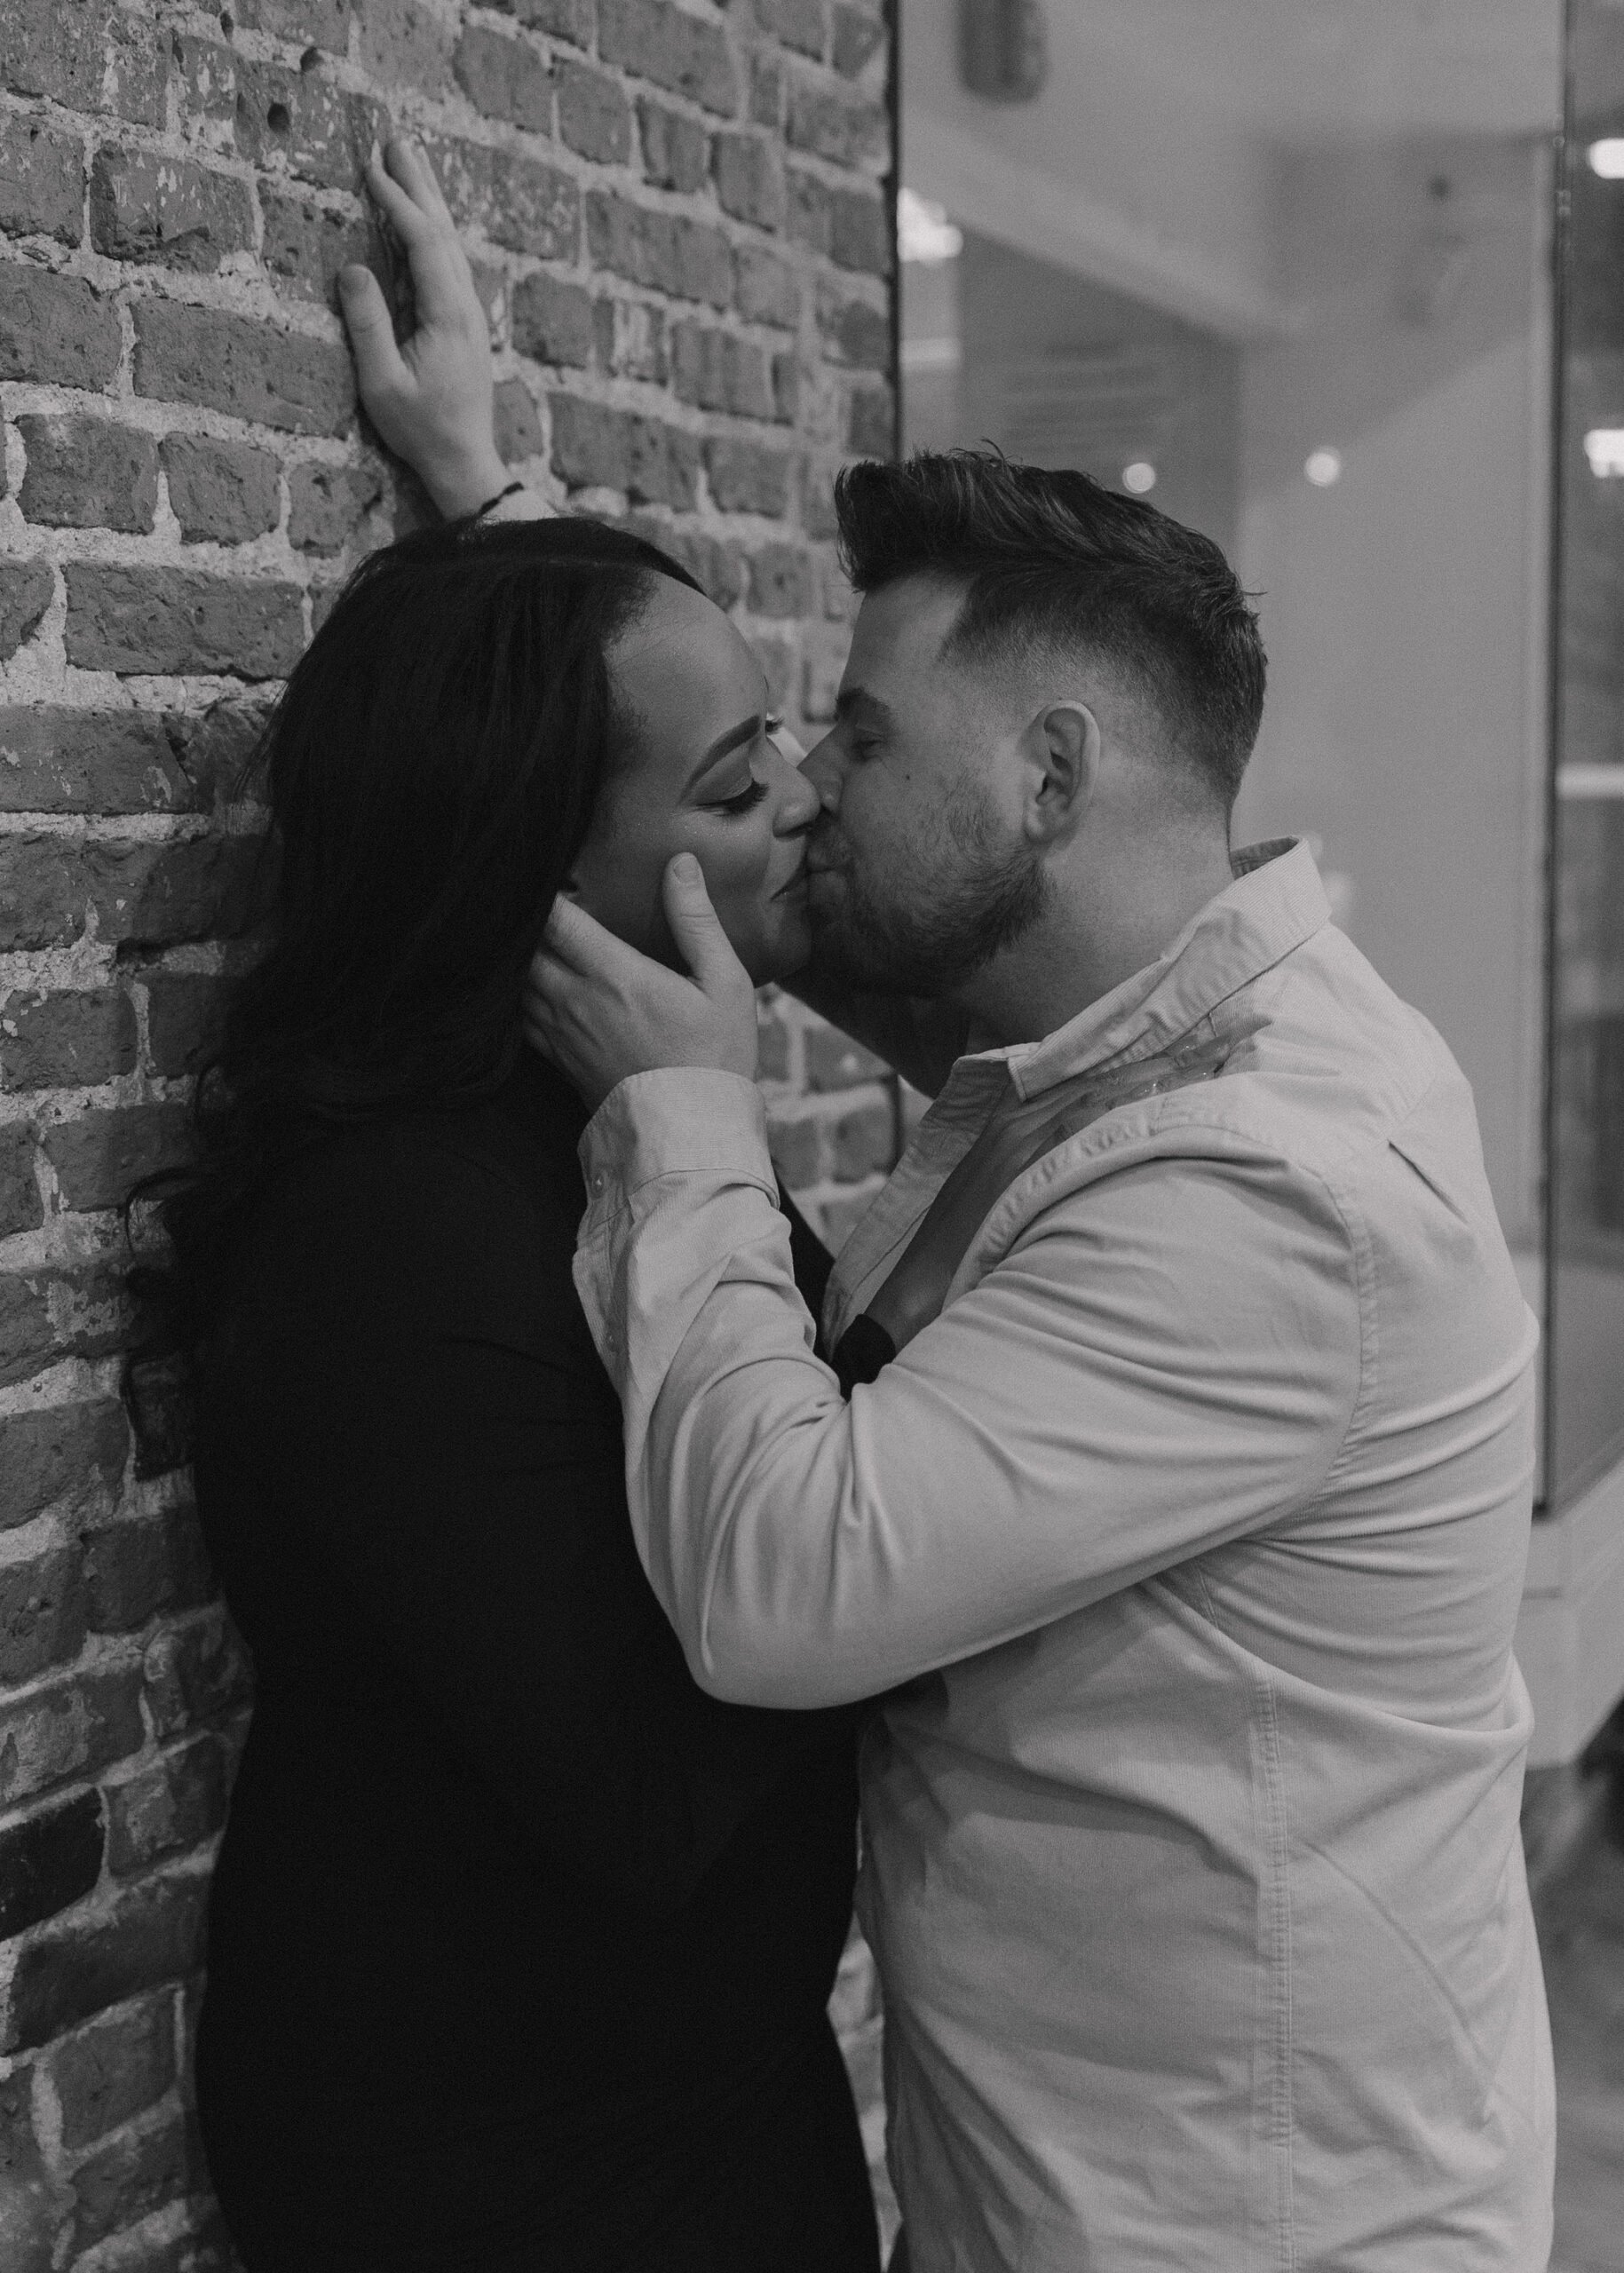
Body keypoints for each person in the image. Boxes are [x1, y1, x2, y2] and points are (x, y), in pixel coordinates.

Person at [343, 147, 1555, 2269]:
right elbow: (712, 832)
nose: (810, 772)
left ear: (1052, 779)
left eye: (862, 732)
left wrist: (687, 1122)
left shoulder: (1276, 1184)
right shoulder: (1117, 1020)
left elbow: (784, 1582)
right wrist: (494, 518)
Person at [143, 504, 883, 2269]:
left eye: (782, 738)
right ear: (535, 895)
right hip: (508, 2165)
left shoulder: (585, 1120)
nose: (801, 794)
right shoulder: (391, 1231)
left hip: (692, 2089)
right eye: (732, 783)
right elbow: (654, 1788)